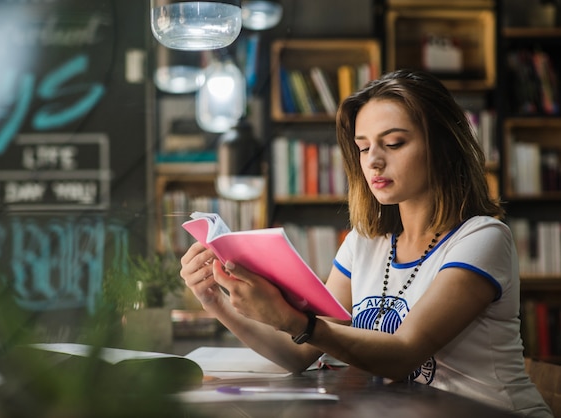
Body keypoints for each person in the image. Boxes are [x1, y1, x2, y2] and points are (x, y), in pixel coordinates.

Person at [179, 69, 552, 417]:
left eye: (393, 143)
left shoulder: (482, 238)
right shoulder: (364, 243)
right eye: (362, 147)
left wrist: (292, 319)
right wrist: (217, 300)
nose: (373, 161)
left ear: (443, 147)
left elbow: (403, 354)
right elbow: (300, 354)